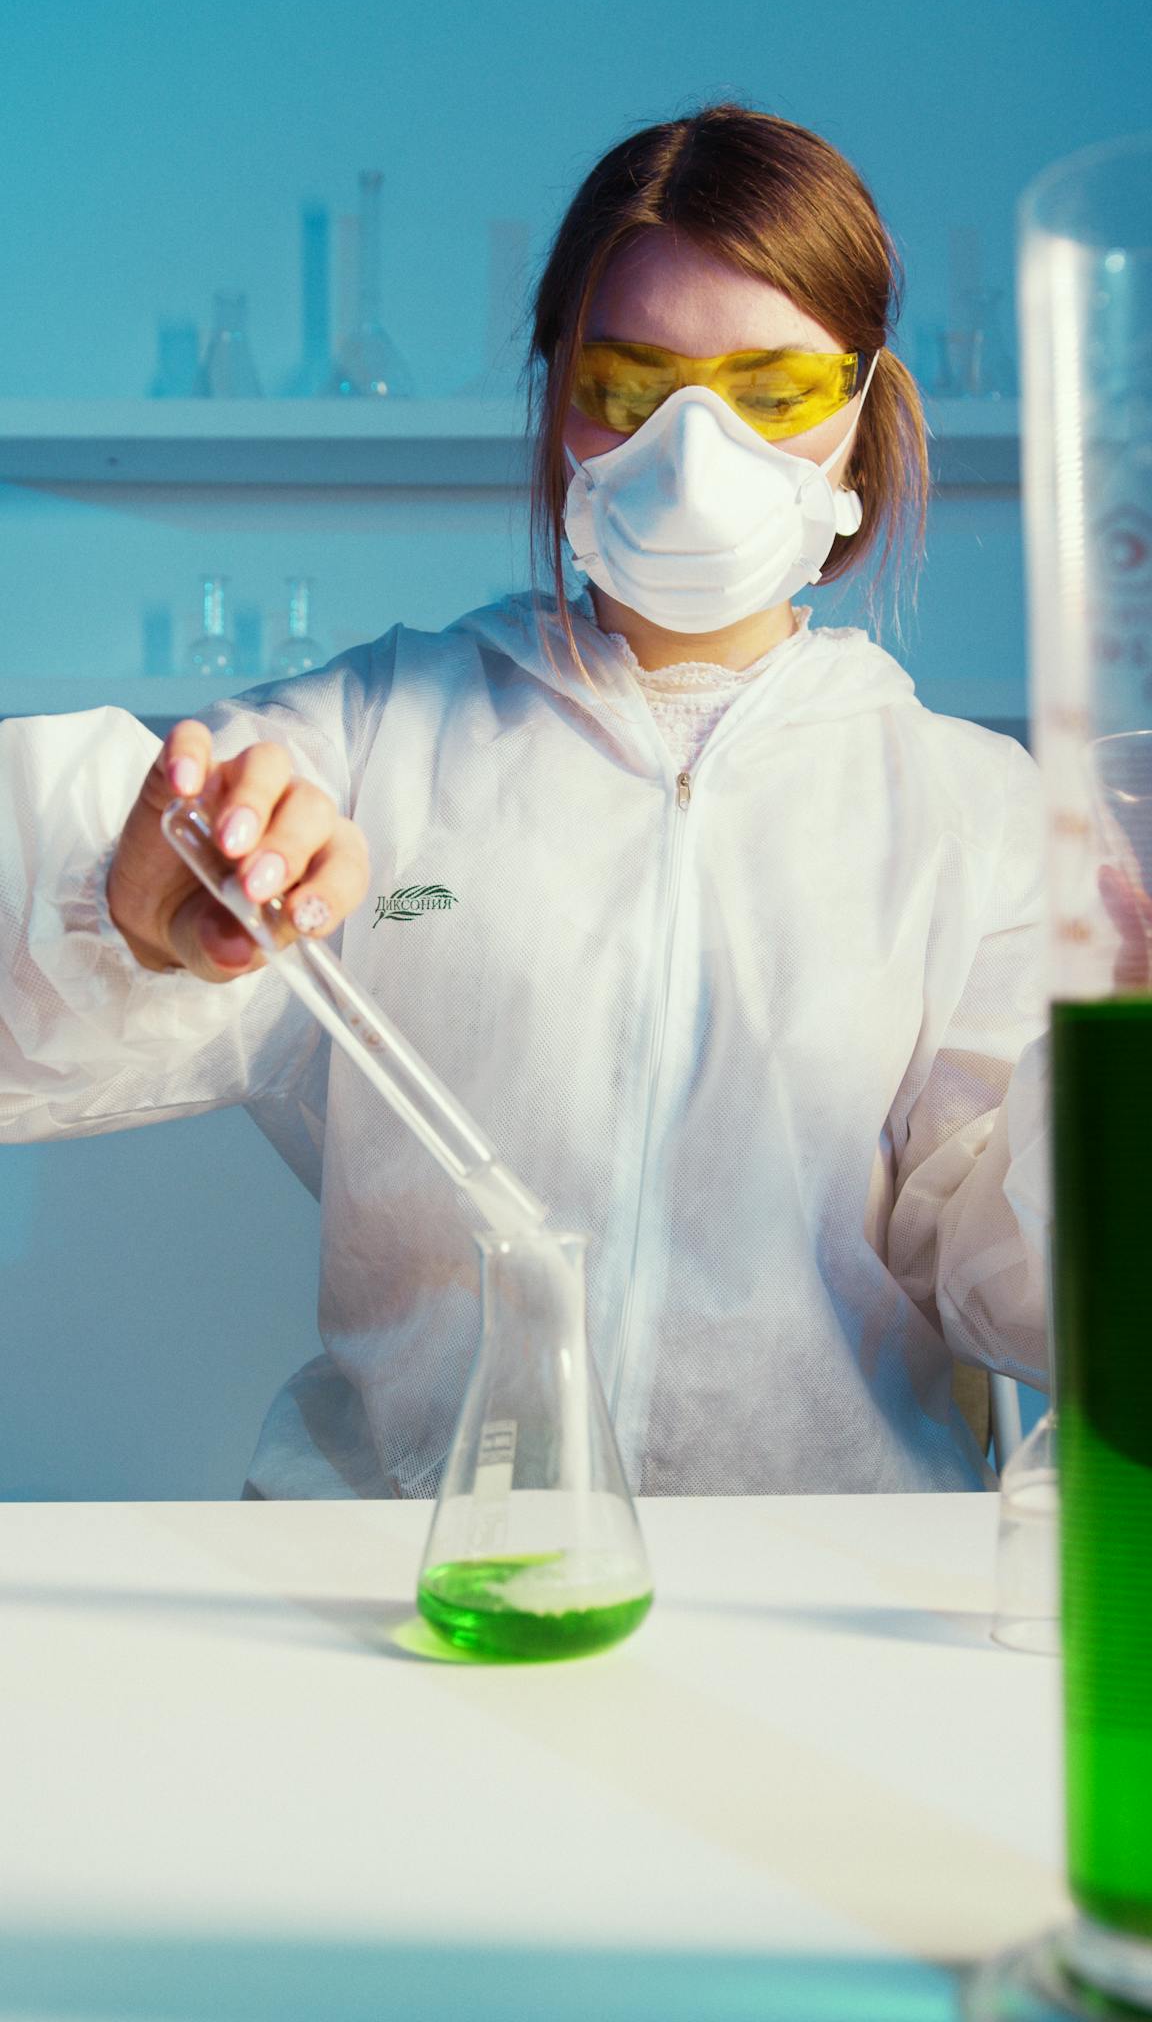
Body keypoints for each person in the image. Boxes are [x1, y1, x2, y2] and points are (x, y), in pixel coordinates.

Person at [0, 104, 1051, 1499]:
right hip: (412, 1584)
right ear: (560, 407)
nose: (696, 448)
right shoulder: (371, 739)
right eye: (633, 383)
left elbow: (1030, 1284)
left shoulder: (968, 813)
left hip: (812, 1602)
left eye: (772, 391)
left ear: (863, 416)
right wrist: (128, 914)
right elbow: (46, 997)